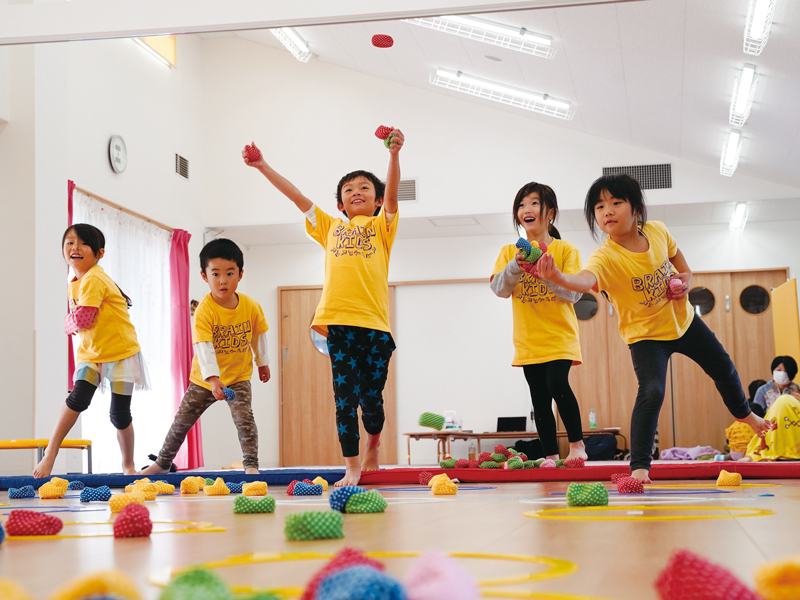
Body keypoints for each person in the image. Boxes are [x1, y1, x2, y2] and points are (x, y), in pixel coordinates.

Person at [535, 173, 770, 483]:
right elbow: (584, 280)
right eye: (599, 206)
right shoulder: (605, 257)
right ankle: (640, 467)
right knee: (652, 391)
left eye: (616, 203)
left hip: (683, 322)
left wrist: (685, 281)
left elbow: (683, 267)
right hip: (646, 337)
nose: (607, 211)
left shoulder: (658, 231)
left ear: (636, 209)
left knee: (723, 366)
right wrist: (558, 278)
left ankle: (746, 416)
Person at [243, 129, 404, 486]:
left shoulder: (382, 227)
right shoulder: (329, 227)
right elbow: (296, 196)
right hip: (338, 325)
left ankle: (373, 444)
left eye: (364, 188)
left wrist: (393, 155)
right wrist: (262, 166)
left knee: (372, 401)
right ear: (340, 205)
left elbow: (393, 194)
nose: (356, 192)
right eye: (349, 190)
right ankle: (352, 466)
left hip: (376, 329)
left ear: (376, 201)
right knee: (344, 399)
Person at [140, 239, 270, 476]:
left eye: (230, 273)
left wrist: (263, 363)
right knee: (182, 421)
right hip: (204, 380)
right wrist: (212, 379)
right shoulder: (205, 310)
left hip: (238, 377)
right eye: (216, 274)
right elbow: (204, 347)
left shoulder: (251, 306)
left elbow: (258, 336)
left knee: (245, 419)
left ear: (240, 274)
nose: (223, 280)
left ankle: (251, 465)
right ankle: (163, 462)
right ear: (204, 275)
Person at [34, 224, 150, 478]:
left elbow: (83, 319)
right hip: (91, 353)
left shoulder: (95, 278)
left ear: (100, 253)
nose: (75, 248)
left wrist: (67, 322)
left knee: (119, 413)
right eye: (69, 243)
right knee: (77, 399)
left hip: (121, 352)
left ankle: (128, 464)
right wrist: (71, 321)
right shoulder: (76, 281)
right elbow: (81, 319)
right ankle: (51, 453)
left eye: (84, 243)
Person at [490, 182, 587, 462]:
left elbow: (574, 294)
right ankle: (550, 456)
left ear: (550, 213)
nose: (526, 209)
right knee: (539, 398)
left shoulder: (565, 249)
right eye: (521, 205)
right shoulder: (510, 251)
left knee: (557, 385)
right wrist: (516, 267)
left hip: (560, 336)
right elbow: (499, 289)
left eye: (534, 203)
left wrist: (550, 275)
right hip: (528, 340)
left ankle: (578, 446)